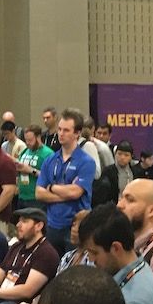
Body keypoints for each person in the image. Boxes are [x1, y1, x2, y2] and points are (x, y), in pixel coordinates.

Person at [35, 108, 97, 253]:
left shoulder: (86, 161)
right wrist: (66, 191)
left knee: (75, 271)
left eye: (66, 130)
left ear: (77, 133)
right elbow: (38, 194)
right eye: (60, 129)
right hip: (52, 225)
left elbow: (76, 192)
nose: (61, 133)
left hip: (75, 227)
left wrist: (51, 187)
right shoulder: (50, 160)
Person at [14, 125, 55, 234]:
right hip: (22, 196)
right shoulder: (25, 151)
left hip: (37, 199)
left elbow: (51, 177)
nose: (28, 143)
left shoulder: (48, 154)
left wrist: (30, 170)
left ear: (38, 137)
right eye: (26, 140)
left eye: (30, 140)